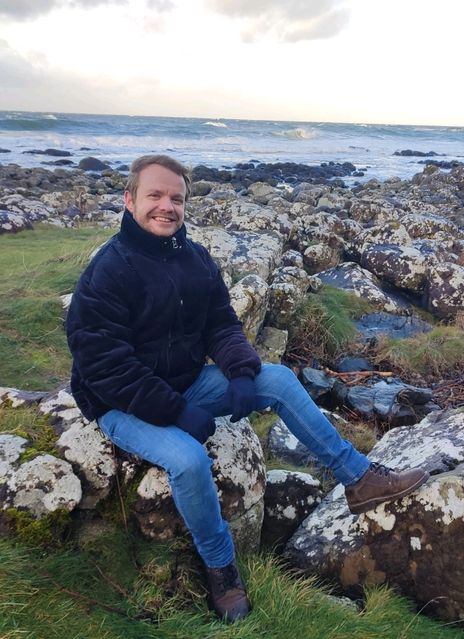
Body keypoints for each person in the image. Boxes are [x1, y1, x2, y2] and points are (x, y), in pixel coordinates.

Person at [66, 154, 430, 622]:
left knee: (275, 378)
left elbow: (221, 323)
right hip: (119, 403)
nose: (167, 207)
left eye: (176, 198)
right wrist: (177, 411)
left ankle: (358, 477)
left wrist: (240, 372)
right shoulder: (108, 271)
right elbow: (105, 365)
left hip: (185, 381)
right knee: (189, 459)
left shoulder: (194, 259)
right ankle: (221, 569)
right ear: (129, 199)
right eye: (155, 195)